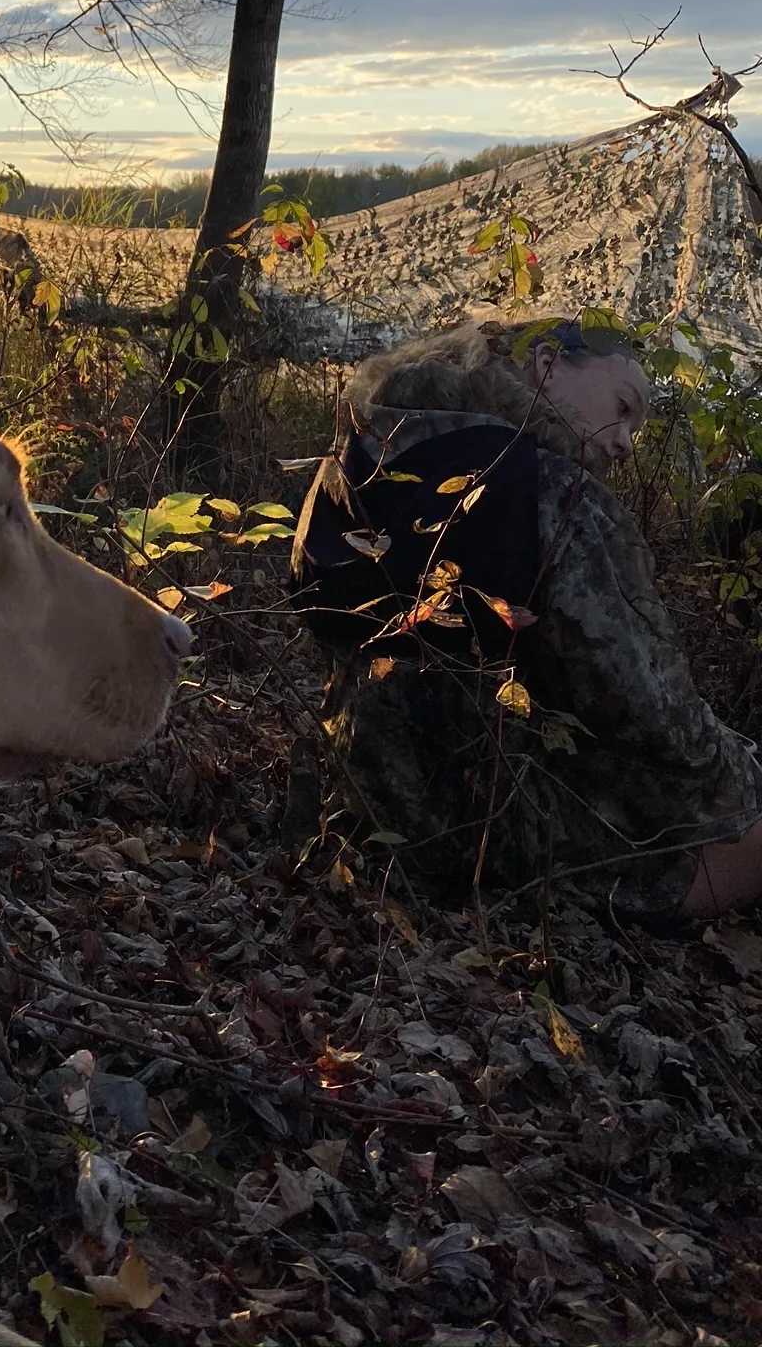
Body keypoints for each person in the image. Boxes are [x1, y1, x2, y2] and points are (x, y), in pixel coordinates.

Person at [291, 315, 762, 925]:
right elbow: (655, 718)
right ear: (544, 365)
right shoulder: (557, 495)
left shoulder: (361, 455)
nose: (624, 442)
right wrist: (746, 773)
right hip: (476, 833)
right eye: (623, 408)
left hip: (354, 796)